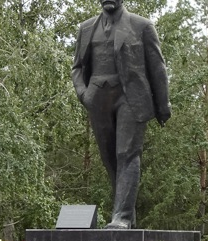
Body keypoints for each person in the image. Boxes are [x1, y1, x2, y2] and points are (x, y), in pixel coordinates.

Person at [71, 0, 171, 229]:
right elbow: (77, 67)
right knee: (110, 159)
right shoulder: (86, 28)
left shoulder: (142, 26)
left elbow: (157, 66)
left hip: (131, 98)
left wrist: (163, 104)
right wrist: (84, 94)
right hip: (97, 99)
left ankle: (122, 217)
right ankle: (126, 215)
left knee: (127, 153)